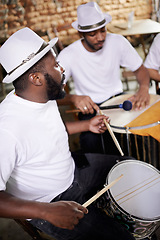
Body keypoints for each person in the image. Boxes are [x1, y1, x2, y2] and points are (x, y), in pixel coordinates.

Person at [0, 27, 136, 240]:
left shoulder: (43, 95)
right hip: (49, 203)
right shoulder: (7, 129)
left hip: (72, 172)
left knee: (130, 168)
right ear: (36, 78)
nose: (62, 69)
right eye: (55, 65)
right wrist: (45, 211)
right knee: (121, 237)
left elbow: (47, 133)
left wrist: (86, 125)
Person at [57, 1, 150, 154]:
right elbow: (51, 93)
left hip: (118, 100)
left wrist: (144, 88)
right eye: (93, 34)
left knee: (138, 141)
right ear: (81, 34)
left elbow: (141, 70)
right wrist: (73, 98)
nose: (100, 37)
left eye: (103, 31)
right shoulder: (69, 55)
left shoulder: (118, 42)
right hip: (91, 108)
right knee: (93, 146)